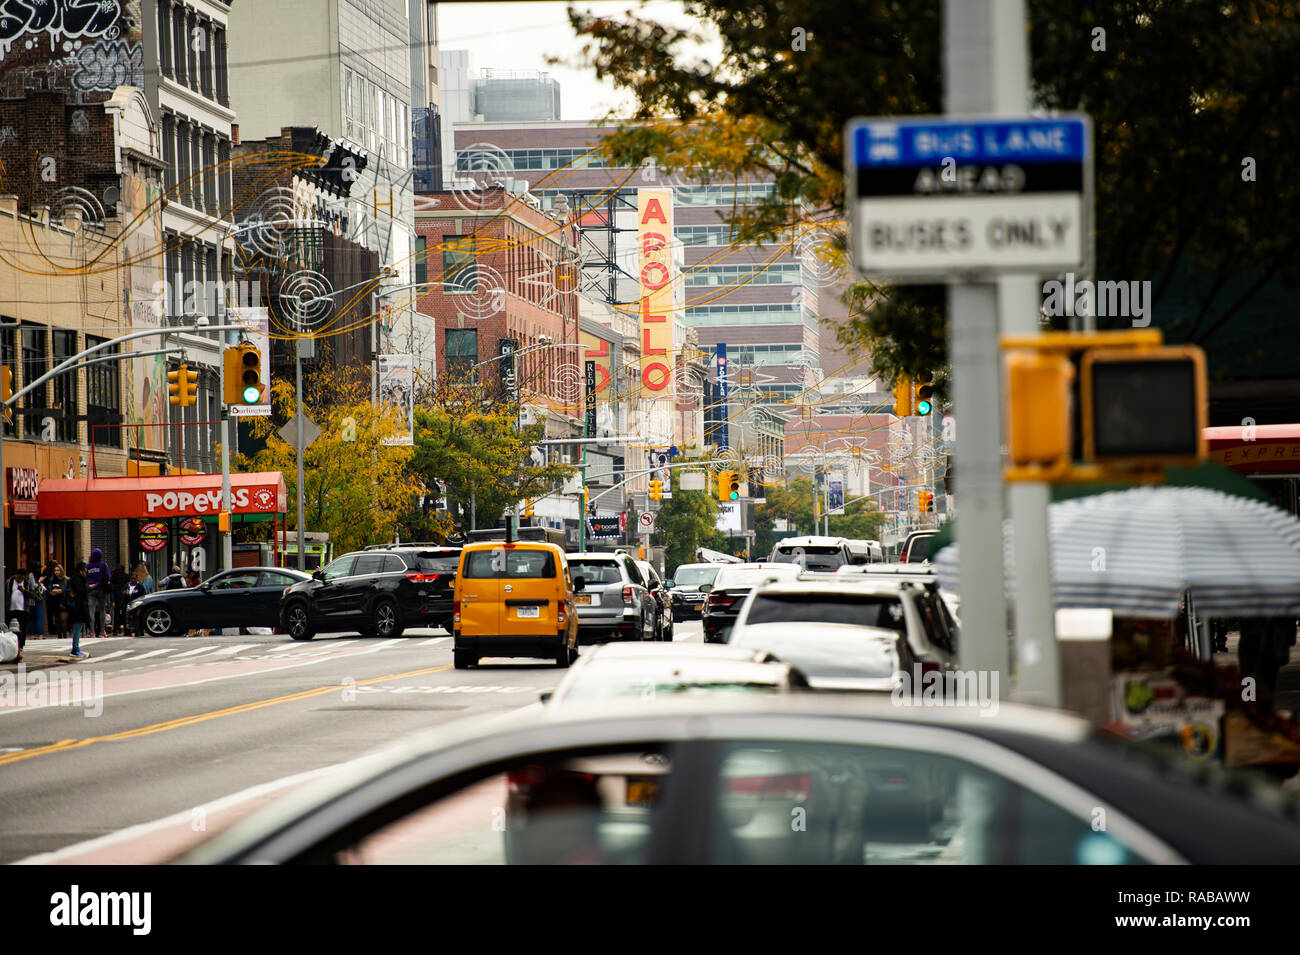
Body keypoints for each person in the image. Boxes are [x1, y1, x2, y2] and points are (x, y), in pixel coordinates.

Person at [85, 547, 111, 639]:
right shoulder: (103, 565)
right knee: (102, 610)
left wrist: (90, 585)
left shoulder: (87, 566)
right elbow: (108, 576)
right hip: (102, 589)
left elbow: (85, 578)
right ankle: (102, 631)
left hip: (90, 590)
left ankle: (92, 632)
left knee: (91, 610)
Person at [66, 563, 89, 659]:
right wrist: (89, 588)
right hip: (77, 607)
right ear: (80, 571)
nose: (86, 573)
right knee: (77, 628)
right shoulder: (77, 580)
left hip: (77, 607)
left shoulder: (76, 579)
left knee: (78, 628)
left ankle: (76, 648)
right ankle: (75, 649)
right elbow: (81, 592)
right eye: (85, 571)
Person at [45, 563, 68, 640]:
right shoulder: (51, 580)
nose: (56, 572)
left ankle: (65, 635)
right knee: (57, 620)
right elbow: (49, 590)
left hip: (63, 601)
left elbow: (66, 590)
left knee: (63, 619)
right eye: (55, 570)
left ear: (61, 571)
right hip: (54, 601)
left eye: (58, 570)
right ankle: (59, 636)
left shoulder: (65, 580)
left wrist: (60, 591)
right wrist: (52, 592)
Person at [25, 564, 45, 638]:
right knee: (39, 617)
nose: (40, 569)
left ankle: (33, 635)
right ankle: (39, 635)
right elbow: (33, 586)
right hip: (34, 599)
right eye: (39, 568)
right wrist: (39, 582)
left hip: (33, 599)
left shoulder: (32, 575)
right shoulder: (31, 575)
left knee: (33, 618)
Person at [111, 564, 130, 635]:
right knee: (125, 614)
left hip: (116, 597)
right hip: (124, 597)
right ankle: (126, 630)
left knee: (116, 614)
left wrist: (112, 600)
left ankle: (115, 630)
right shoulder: (126, 576)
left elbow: (112, 590)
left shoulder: (113, 577)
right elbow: (128, 586)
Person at [8, 571, 26, 643]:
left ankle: (21, 644)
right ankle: (10, 642)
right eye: (18, 578)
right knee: (8, 626)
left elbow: (33, 595)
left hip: (23, 609)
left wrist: (24, 591)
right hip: (11, 608)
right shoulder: (10, 582)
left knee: (23, 627)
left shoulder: (26, 583)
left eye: (22, 578)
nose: (20, 580)